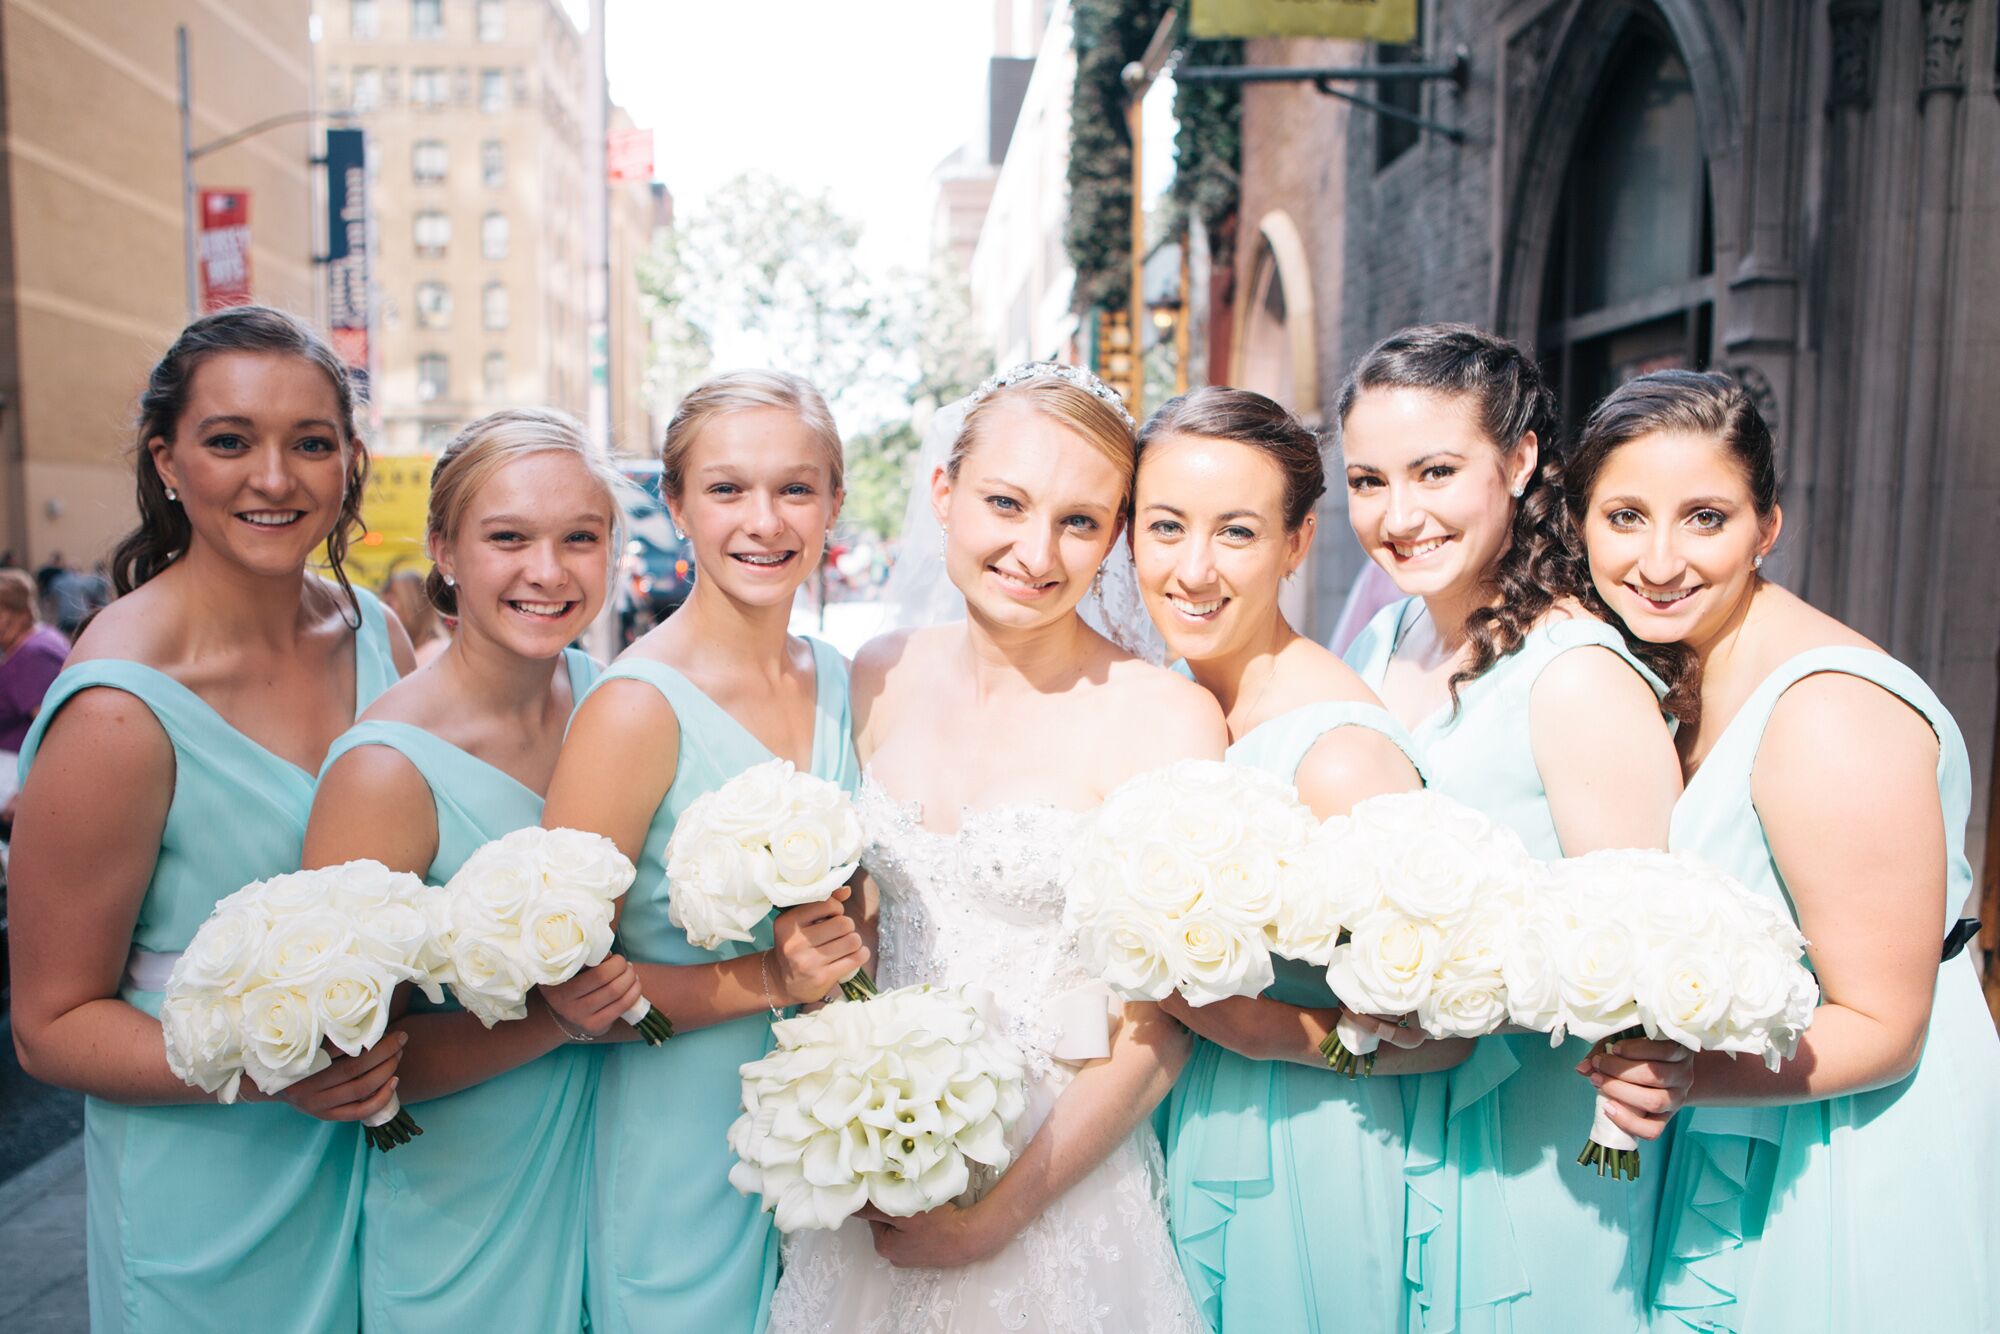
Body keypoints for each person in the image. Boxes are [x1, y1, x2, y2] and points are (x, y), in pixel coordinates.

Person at [767, 363, 1222, 1334]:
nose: (1034, 550)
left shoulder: (1162, 717)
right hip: (873, 1179)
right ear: (943, 492)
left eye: (1078, 520)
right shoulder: (878, 675)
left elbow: (1164, 1021)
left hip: (1057, 1188)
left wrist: (996, 1213)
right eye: (1005, 503)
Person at [1559, 370, 2000, 1333]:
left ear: (1768, 528)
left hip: (1851, 1150)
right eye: (1625, 516)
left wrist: (1682, 1077)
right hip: (1750, 1112)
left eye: (1706, 518)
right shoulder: (1674, 666)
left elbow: (1887, 1024)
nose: (1660, 560)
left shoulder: (1830, 713)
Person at [7, 305, 415, 1332]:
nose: (273, 478)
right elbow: (49, 1027)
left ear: (348, 462)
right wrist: (276, 1067)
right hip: (211, 1203)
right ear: (169, 459)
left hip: (397, 1167)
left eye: (309, 443)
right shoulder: (118, 706)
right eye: (230, 440)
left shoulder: (380, 636)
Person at [1336, 324, 1689, 1331]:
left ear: (1519, 458)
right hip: (1394, 1105)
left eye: (1434, 471)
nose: (1398, 516)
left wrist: (1464, 989)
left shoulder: (1572, 672)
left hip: (1531, 1144)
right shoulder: (1381, 629)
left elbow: (1637, 957)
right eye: (1367, 480)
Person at [1130, 386, 1463, 1331]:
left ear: (1297, 543)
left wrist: (1264, 1030)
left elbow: (1446, 1037)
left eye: (1235, 532)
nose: (1193, 570)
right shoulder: (1168, 699)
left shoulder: (1341, 758)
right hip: (1179, 1130)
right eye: (1165, 527)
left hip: (1308, 1161)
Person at [302, 409, 643, 1331]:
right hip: (467, 1211)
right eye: (509, 538)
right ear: (445, 550)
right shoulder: (385, 769)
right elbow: (352, 1064)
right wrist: (554, 1022)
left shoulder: (626, 709)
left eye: (581, 537)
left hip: (627, 1182)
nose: (549, 570)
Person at [541, 370, 866, 1334]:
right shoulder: (633, 707)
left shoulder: (843, 680)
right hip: (683, 1131)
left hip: (832, 1127)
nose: (763, 521)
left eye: (795, 489)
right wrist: (770, 975)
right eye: (726, 489)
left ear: (834, 503)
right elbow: (563, 982)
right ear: (675, 504)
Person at [0, 568, 70, 810]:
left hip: (18, 776)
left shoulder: (31, 655)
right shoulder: (42, 636)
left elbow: (53, 729)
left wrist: (28, 792)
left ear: (21, 612)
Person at [380, 565, 450, 666]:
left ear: (413, 604)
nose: (386, 611)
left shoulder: (436, 653)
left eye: (389, 603)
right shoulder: (439, 649)